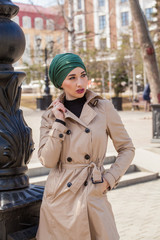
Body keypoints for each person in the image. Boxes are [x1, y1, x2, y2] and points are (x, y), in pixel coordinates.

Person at [36, 53, 135, 240]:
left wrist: (109, 179)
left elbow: (127, 148)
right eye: (72, 78)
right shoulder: (50, 116)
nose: (80, 83)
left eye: (83, 75)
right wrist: (59, 122)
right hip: (60, 199)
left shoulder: (103, 108)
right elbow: (48, 161)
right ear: (60, 83)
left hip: (94, 192)